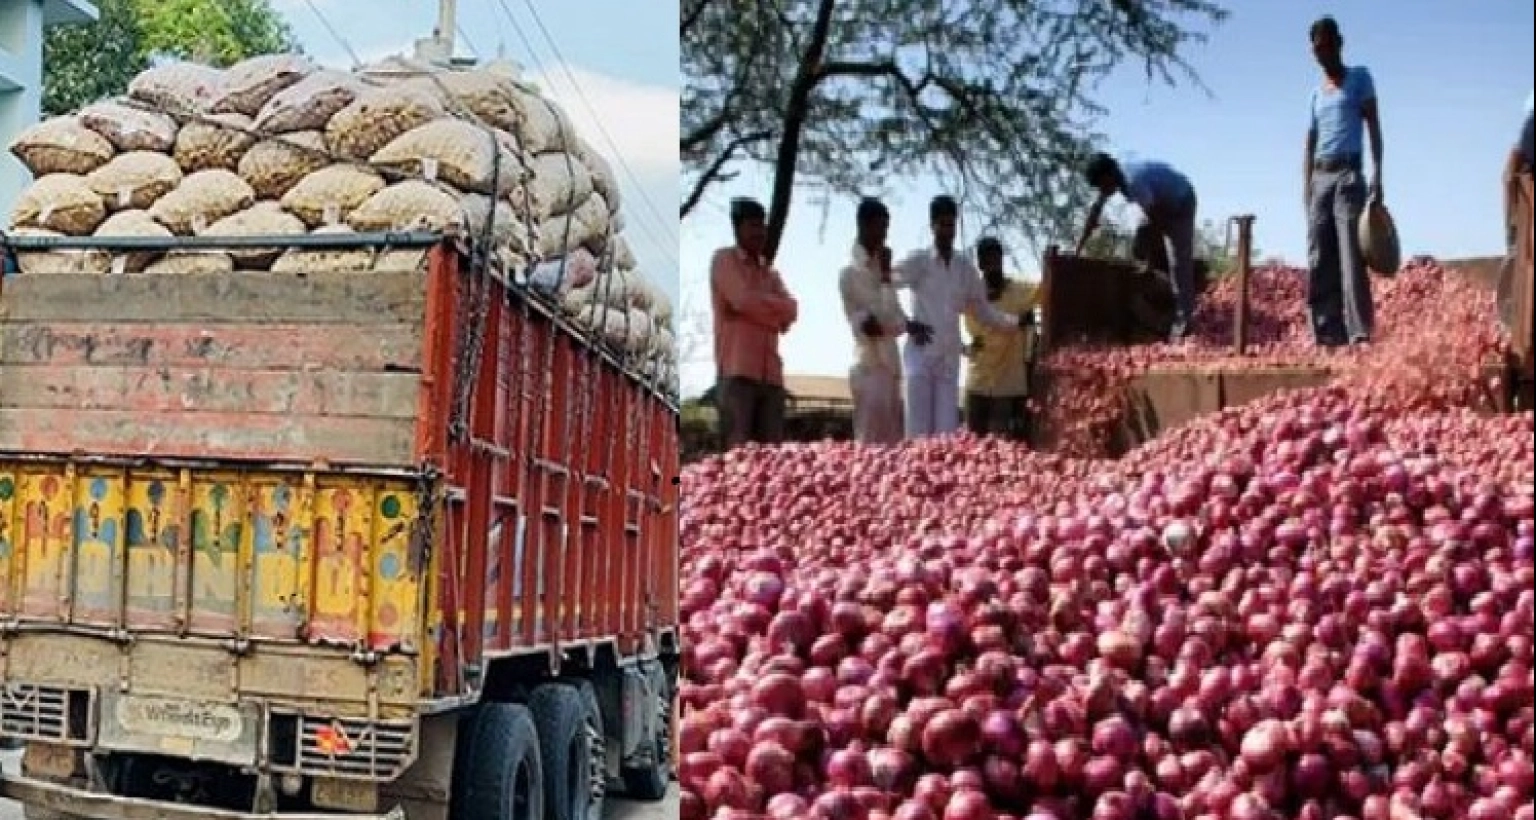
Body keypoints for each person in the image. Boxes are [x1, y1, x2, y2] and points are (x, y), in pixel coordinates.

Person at [893, 196, 1032, 439]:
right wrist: (905, 322)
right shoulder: (919, 261)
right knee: (917, 433)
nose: (948, 231)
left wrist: (1015, 322)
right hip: (921, 356)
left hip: (948, 361)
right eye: (942, 225)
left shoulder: (964, 269)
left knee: (945, 435)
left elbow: (985, 311)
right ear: (932, 225)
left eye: (951, 225)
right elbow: (885, 283)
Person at [1304, 15, 1384, 348]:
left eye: (1326, 46)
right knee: (1320, 255)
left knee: (1351, 253)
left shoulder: (1360, 78)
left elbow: (1374, 127)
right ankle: (1327, 332)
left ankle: (1359, 332)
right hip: (1320, 175)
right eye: (1316, 50)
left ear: (1339, 43)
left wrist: (1379, 173)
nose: (1321, 55)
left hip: (1349, 174)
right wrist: (1306, 186)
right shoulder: (1316, 95)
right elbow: (1309, 143)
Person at [1075, 153, 1200, 341]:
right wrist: (1079, 245)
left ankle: (1184, 323)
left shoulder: (1133, 182)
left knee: (1178, 262)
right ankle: (1158, 281)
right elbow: (1096, 210)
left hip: (1180, 201)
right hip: (1158, 200)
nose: (1102, 190)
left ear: (1109, 176)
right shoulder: (1114, 177)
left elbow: (1156, 220)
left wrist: (1152, 257)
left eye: (1101, 185)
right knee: (1140, 241)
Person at [838, 199, 933, 444]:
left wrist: (909, 325)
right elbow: (874, 325)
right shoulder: (850, 275)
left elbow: (895, 315)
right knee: (870, 447)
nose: (883, 235)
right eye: (879, 227)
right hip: (869, 367)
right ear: (863, 225)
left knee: (892, 448)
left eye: (886, 229)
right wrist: (899, 325)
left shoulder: (884, 272)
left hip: (891, 367)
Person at [709, 198, 799, 448]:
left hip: (771, 377)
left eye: (762, 226)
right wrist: (774, 316)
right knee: (737, 456)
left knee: (769, 460)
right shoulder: (724, 261)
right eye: (752, 226)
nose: (760, 233)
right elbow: (742, 299)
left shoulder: (769, 273)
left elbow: (793, 309)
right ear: (737, 228)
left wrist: (758, 310)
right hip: (737, 374)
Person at [963, 238, 1038, 440]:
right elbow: (981, 333)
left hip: (1006, 385)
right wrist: (1016, 322)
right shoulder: (972, 295)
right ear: (980, 264)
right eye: (988, 261)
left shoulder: (1019, 290)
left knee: (1000, 447)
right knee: (970, 444)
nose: (994, 266)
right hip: (977, 382)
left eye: (997, 260)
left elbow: (1046, 288)